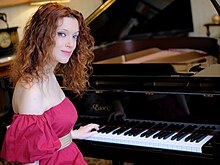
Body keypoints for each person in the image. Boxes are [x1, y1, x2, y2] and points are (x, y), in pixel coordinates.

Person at [0, 2, 99, 165]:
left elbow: (47, 133)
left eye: (74, 36)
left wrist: (73, 134)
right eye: (62, 34)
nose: (71, 44)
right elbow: (31, 159)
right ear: (42, 35)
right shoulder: (31, 89)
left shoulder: (48, 74)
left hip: (70, 155)